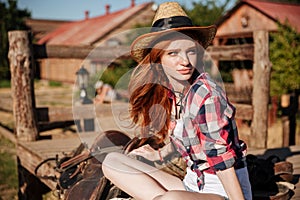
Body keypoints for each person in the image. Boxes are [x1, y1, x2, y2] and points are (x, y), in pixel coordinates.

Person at [102, 2, 252, 200]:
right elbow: (189, 139)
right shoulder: (173, 93)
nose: (185, 61)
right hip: (192, 185)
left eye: (190, 51)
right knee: (111, 161)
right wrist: (157, 155)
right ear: (158, 58)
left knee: (170, 199)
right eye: (173, 53)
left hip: (222, 191)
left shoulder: (206, 94)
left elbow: (223, 163)